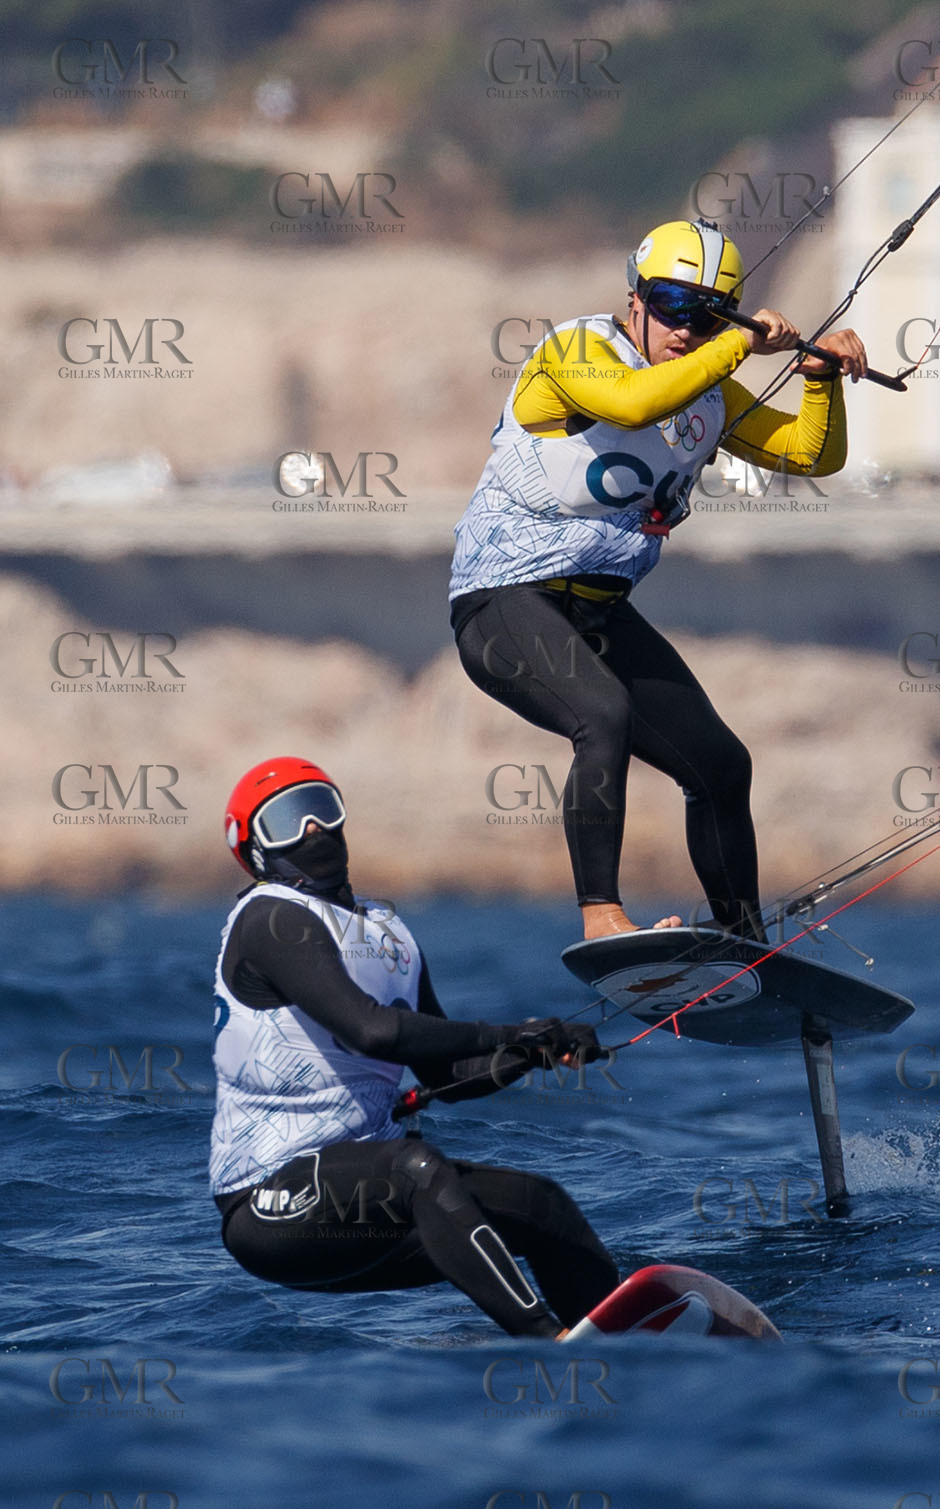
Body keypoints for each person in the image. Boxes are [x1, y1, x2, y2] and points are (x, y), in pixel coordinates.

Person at [451, 217, 868, 943]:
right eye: (671, 305)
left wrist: (818, 379)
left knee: (718, 764)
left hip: (598, 614)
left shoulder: (707, 394)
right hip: (502, 601)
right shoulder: (576, 348)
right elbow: (631, 404)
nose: (686, 327)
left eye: (708, 315)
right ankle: (600, 917)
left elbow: (809, 455)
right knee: (601, 716)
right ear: (635, 297)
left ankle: (743, 942)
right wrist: (738, 343)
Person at [210, 756, 619, 1339]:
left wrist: (536, 1050)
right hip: (270, 1204)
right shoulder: (271, 918)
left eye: (321, 809)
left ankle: (621, 1345)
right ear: (254, 851)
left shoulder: (388, 931)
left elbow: (448, 1074)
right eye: (287, 821)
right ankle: (549, 1346)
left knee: (541, 1205)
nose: (313, 830)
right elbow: (373, 1031)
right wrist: (511, 1031)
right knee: (418, 1168)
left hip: (370, 1202)